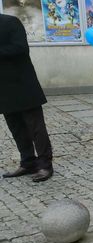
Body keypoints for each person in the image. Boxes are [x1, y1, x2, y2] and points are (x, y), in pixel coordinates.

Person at [1, 14, 53, 182]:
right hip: (3, 89)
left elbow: (21, 48)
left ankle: (45, 165)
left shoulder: (10, 22)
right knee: (16, 128)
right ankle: (28, 162)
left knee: (36, 128)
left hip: (23, 85)